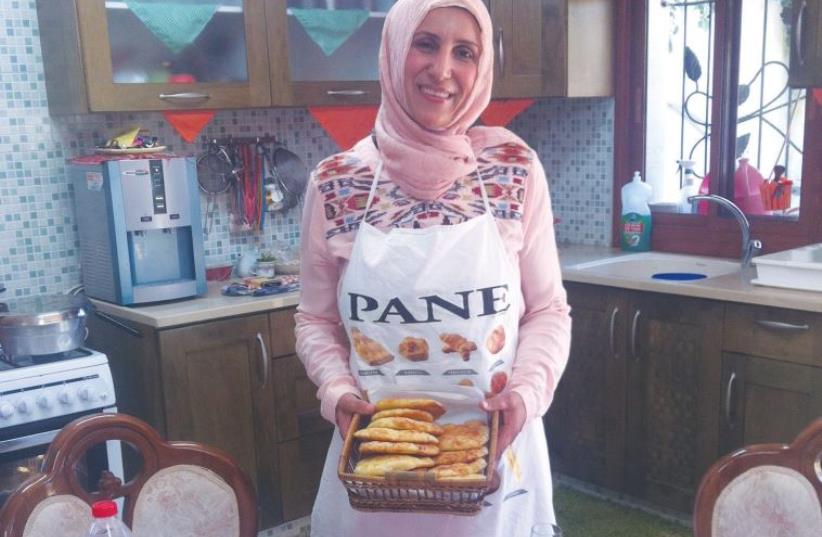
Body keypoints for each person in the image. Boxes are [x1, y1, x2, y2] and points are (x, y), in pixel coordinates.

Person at [295, 0, 571, 535]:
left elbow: (547, 309)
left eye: (463, 52)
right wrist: (334, 389)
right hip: (375, 463)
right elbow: (315, 320)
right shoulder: (335, 183)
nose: (443, 70)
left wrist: (526, 393)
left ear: (482, 64)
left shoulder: (513, 171)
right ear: (395, 49)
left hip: (495, 454)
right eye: (426, 43)